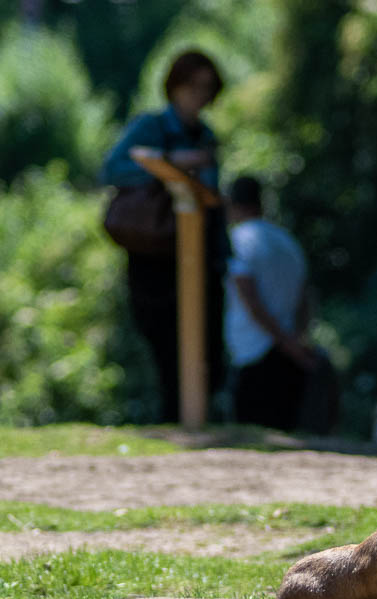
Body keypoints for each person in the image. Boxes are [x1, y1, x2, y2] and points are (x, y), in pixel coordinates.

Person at [100, 50, 231, 422]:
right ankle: (177, 422)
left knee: (209, 350)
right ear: (174, 87)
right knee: (165, 346)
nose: (199, 96)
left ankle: (201, 419)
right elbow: (112, 170)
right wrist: (172, 162)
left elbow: (210, 201)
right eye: (192, 87)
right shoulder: (151, 127)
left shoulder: (206, 136)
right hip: (156, 255)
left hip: (198, 255)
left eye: (207, 88)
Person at [224, 176, 317, 431]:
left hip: (254, 352)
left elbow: (250, 300)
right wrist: (297, 340)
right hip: (290, 355)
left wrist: (285, 343)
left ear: (231, 203)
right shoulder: (287, 242)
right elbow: (304, 297)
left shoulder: (239, 240)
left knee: (249, 441)